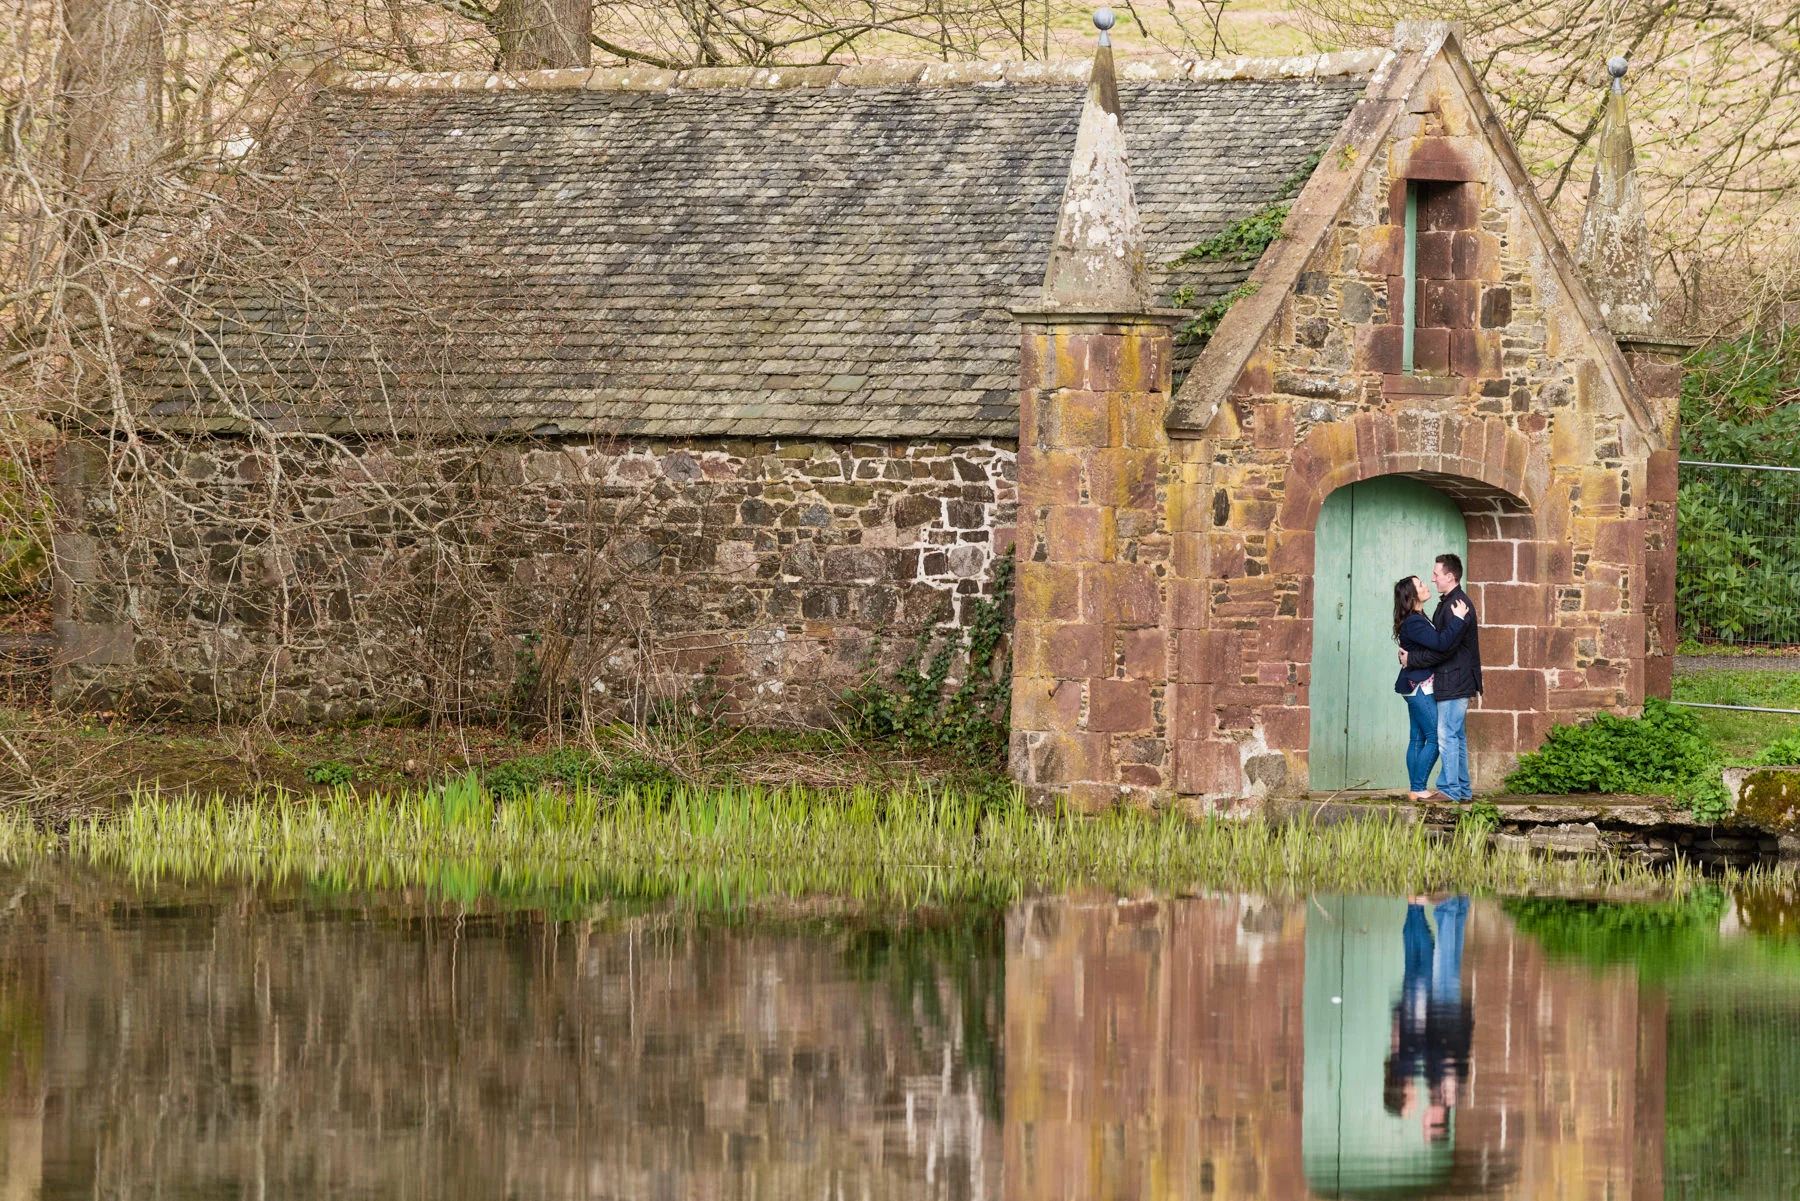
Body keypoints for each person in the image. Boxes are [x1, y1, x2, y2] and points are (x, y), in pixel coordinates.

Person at [1399, 554, 1483, 803]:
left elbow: (1443, 648)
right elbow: (1437, 646)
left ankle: (1450, 790)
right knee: (1452, 736)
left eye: (1436, 575)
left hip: (1454, 680)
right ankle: (1461, 790)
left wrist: (1411, 660)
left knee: (1446, 736)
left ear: (1450, 576)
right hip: (1449, 680)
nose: (1432, 579)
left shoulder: (1458, 606)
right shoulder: (1447, 604)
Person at [1392, 576, 1469, 801]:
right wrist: (1457, 620)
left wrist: (1411, 657)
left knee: (1417, 738)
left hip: (1414, 684)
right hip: (1419, 686)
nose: (1426, 586)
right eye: (1421, 585)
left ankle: (1416, 788)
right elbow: (1440, 644)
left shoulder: (1417, 618)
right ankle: (1418, 787)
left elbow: (1430, 647)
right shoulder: (1415, 621)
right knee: (1435, 737)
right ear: (1411, 595)